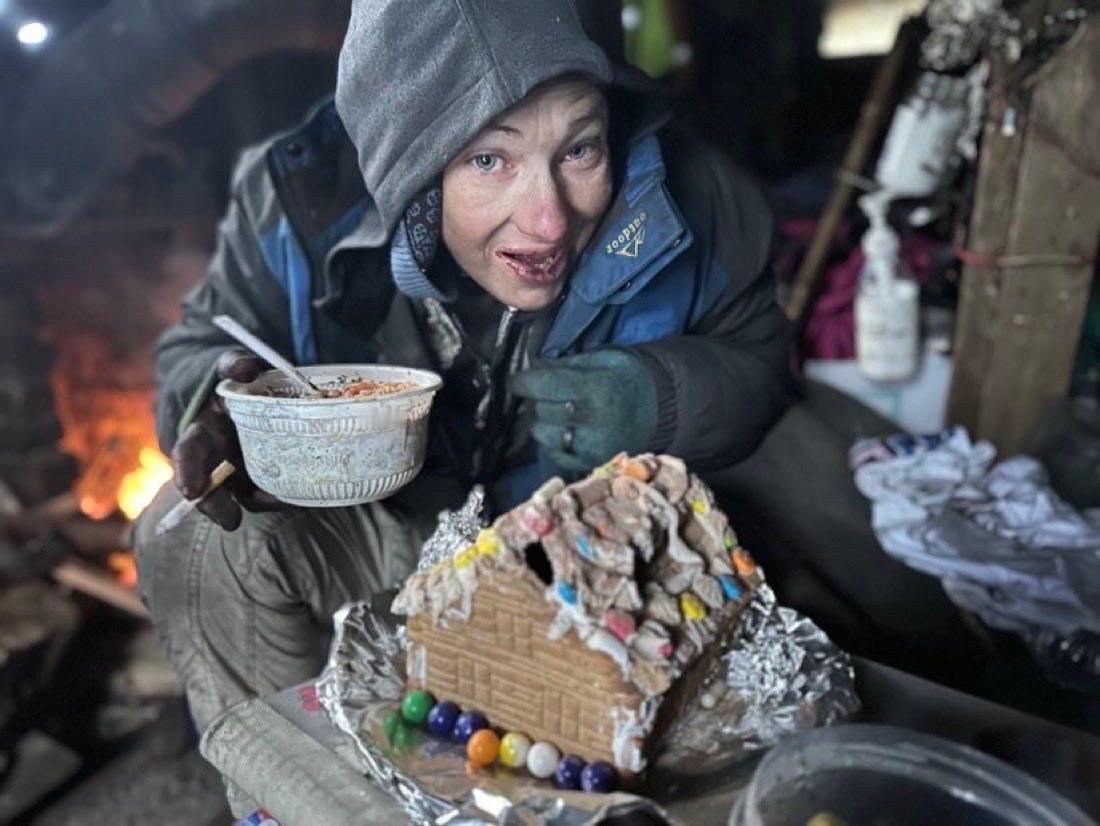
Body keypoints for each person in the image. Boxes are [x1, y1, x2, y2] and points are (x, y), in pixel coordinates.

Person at [135, 0, 788, 740]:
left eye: (580, 150)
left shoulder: (693, 198)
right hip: (386, 538)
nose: (549, 220)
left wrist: (660, 397)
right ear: (409, 168)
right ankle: (297, 792)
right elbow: (196, 346)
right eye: (488, 159)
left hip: (588, 567)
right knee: (189, 534)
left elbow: (762, 358)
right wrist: (218, 407)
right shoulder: (294, 197)